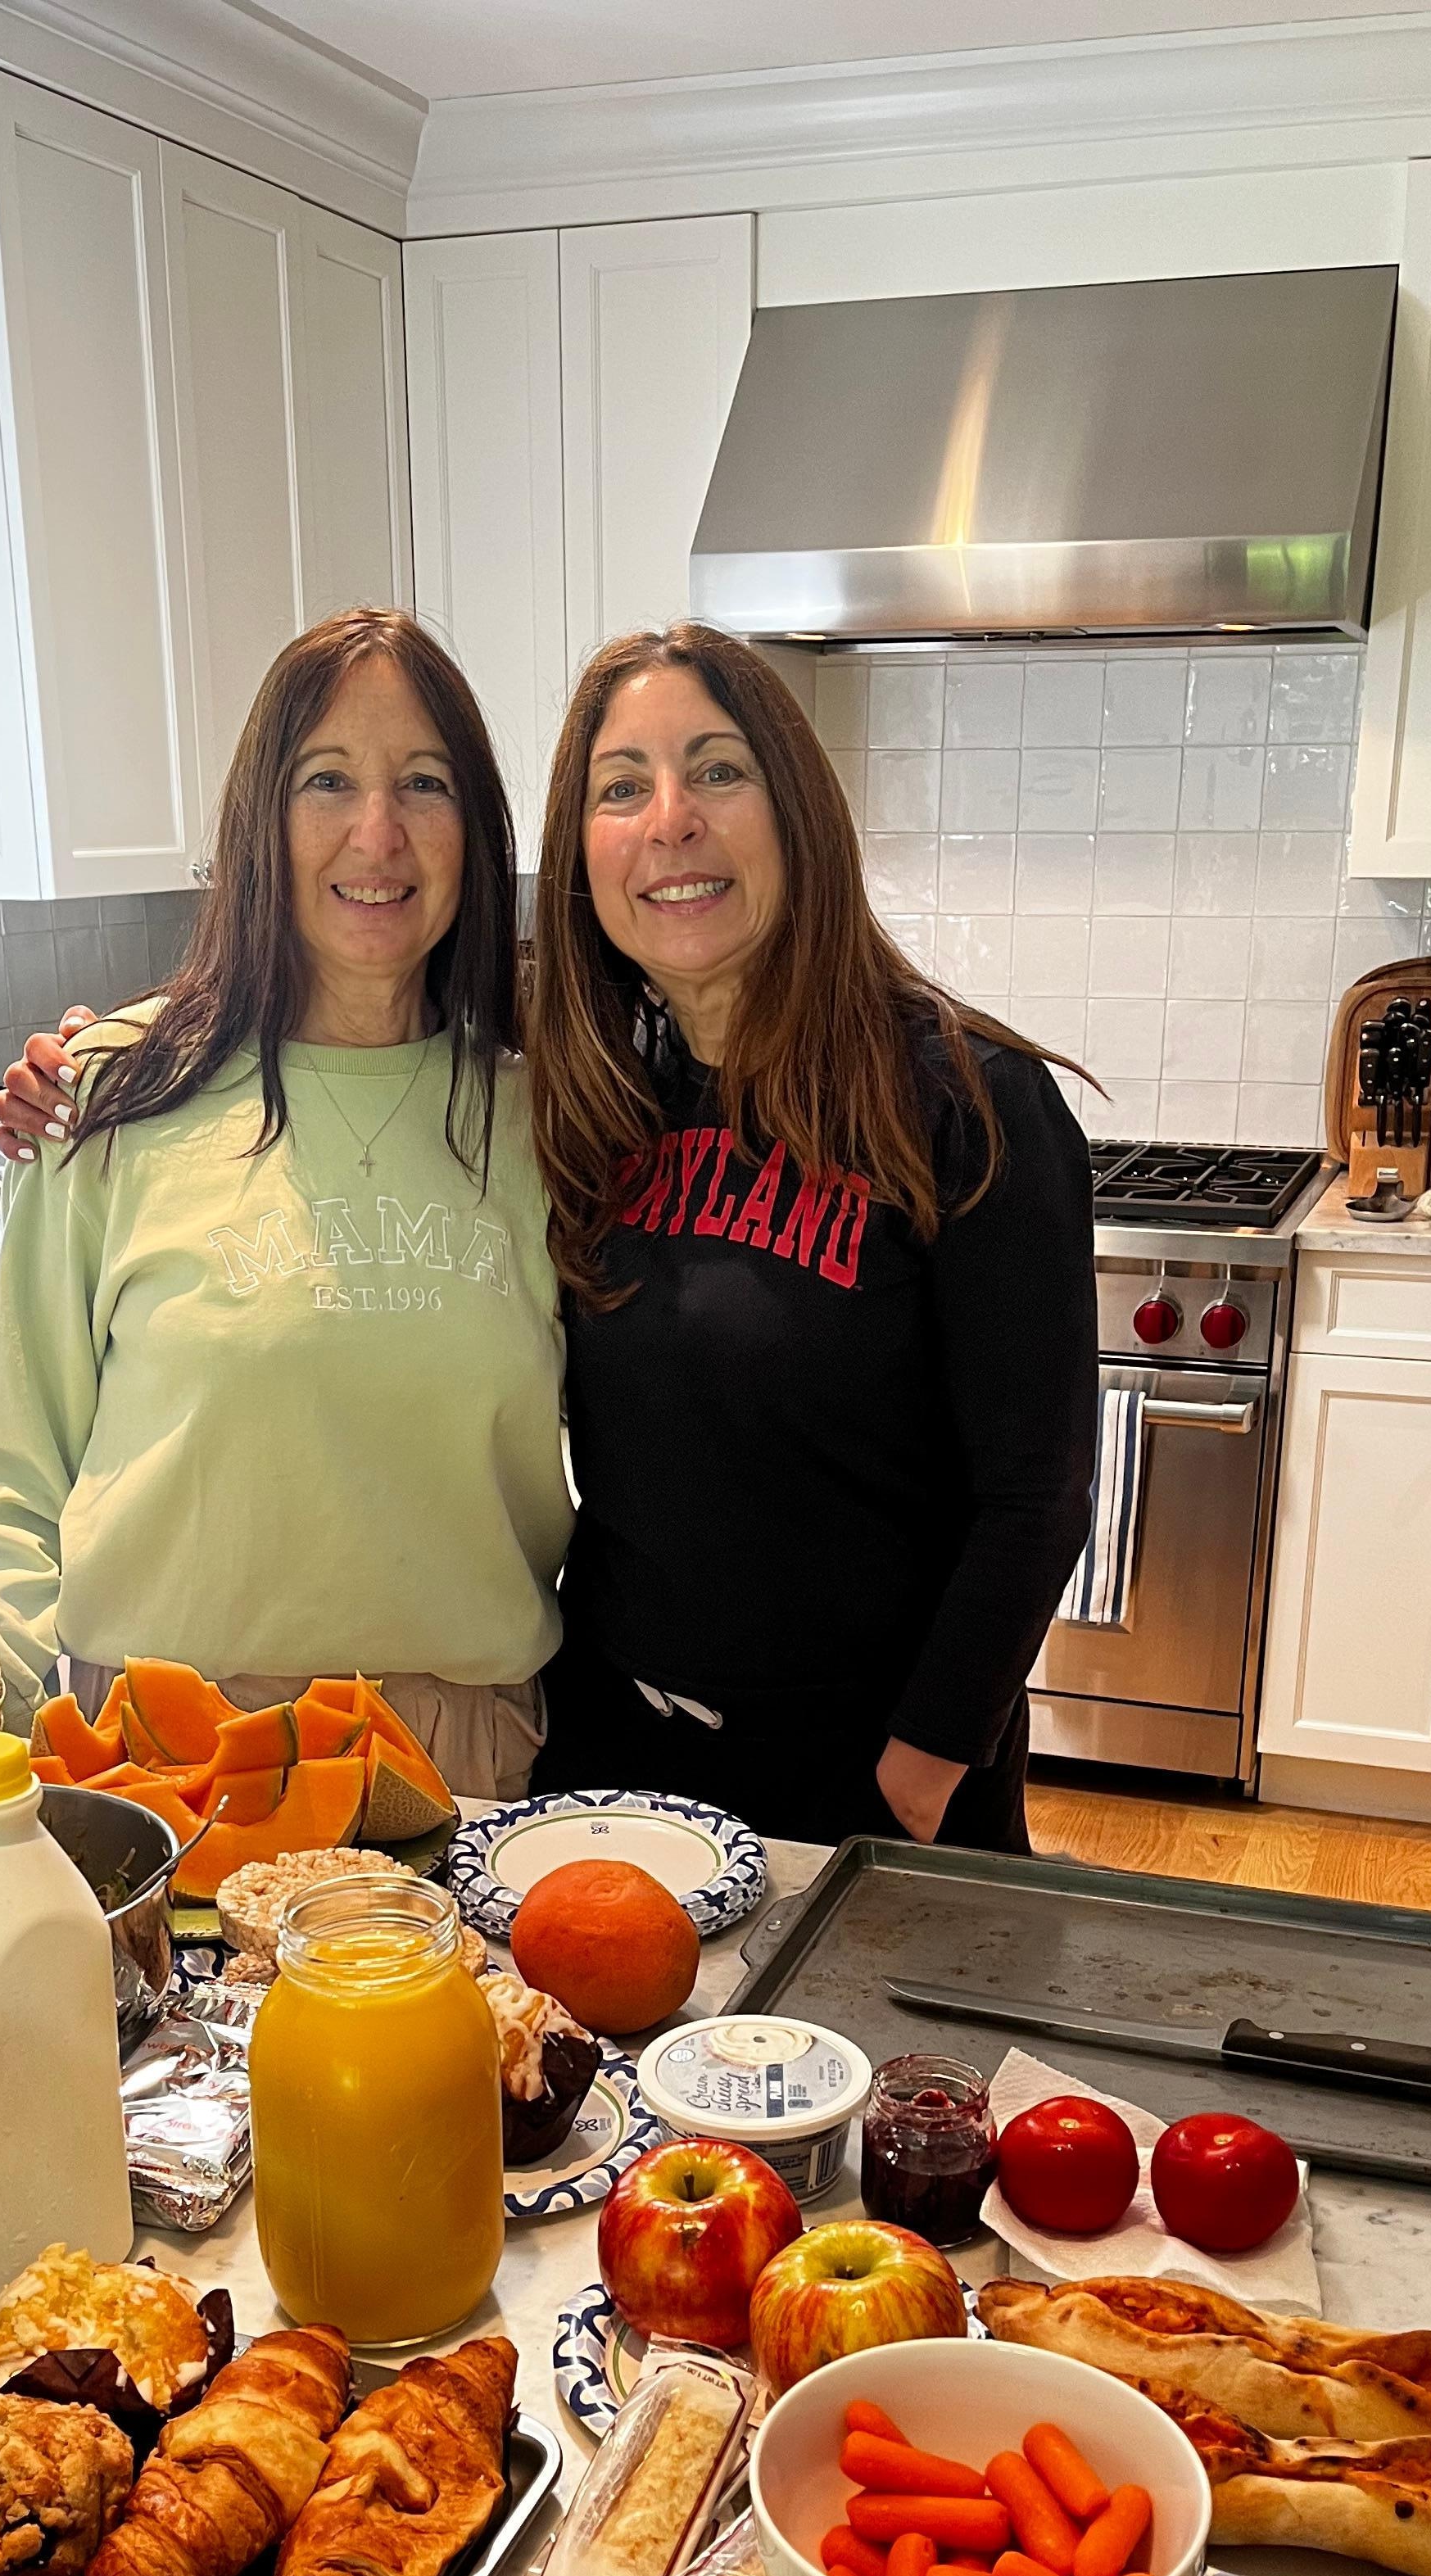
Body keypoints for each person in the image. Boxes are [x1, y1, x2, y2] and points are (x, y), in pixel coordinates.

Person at [0, 609, 570, 1798]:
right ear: (259, 823)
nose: (377, 834)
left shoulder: (544, 1119)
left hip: (458, 1761)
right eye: (326, 780)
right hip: (158, 1764)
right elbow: (14, 1475)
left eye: (424, 783)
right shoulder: (112, 1093)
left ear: (476, 831)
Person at [524, 624, 1098, 1852]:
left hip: (866, 1790)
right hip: (613, 1766)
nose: (671, 821)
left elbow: (1035, 1496)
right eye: (622, 787)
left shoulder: (966, 1101)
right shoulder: (592, 1103)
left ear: (797, 813)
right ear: (580, 853)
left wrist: (917, 1776)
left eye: (717, 770)